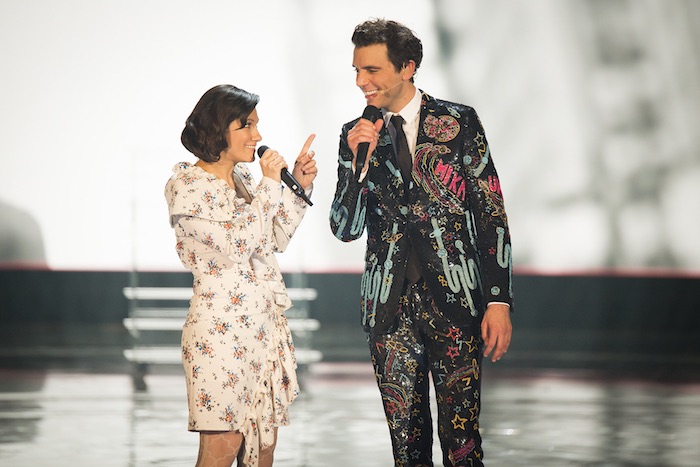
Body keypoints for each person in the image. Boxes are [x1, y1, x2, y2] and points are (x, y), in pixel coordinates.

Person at [329, 19, 513, 466]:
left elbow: (490, 213)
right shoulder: (355, 134)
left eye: (372, 70)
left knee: (462, 444)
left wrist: (498, 300)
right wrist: (357, 167)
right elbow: (345, 228)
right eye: (356, 70)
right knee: (406, 449)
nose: (361, 81)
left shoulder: (458, 122)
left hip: (456, 299)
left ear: (407, 66)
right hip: (388, 307)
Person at [165, 84, 317, 467]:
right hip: (220, 333)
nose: (258, 135)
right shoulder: (187, 186)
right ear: (218, 128)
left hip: (262, 329)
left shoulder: (245, 180)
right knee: (223, 446)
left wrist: (297, 186)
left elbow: (273, 238)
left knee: (262, 447)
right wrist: (270, 184)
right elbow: (236, 243)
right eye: (246, 125)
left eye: (256, 124)